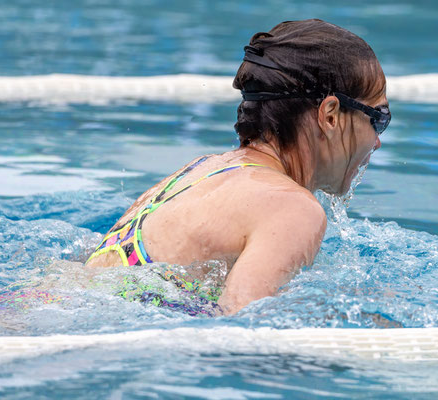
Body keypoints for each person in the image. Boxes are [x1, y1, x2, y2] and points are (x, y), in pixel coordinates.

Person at [85, 18, 391, 315]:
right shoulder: (292, 207)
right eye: (379, 118)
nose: (377, 142)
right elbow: (243, 329)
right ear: (330, 115)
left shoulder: (202, 168)